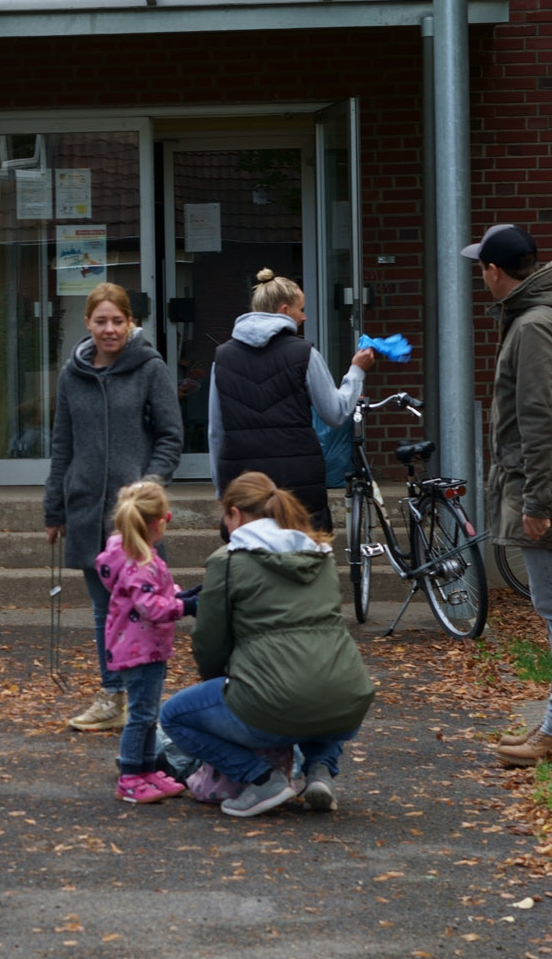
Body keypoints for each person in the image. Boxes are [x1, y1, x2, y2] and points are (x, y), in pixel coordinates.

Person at [159, 472, 373, 818]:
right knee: (319, 690)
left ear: (234, 514)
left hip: (270, 704)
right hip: (347, 697)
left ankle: (261, 779)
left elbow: (209, 641)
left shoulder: (228, 561)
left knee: (173, 716)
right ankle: (320, 770)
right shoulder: (320, 554)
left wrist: (223, 684)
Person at [464, 224, 552, 767]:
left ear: (494, 271)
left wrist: (537, 503)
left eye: (481, 268)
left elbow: (542, 420)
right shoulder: (546, 316)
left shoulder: (536, 326)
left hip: (550, 492)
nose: (481, 276)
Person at [43, 282, 183, 733]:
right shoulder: (72, 375)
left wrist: (150, 486)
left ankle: (144, 700)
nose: (109, 329)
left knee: (143, 605)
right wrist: (54, 508)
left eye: (117, 321)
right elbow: (62, 444)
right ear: (87, 323)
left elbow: (170, 436)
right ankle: (112, 695)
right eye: (101, 321)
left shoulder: (150, 369)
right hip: (86, 507)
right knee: (104, 608)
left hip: (135, 516)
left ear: (130, 322)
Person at [207, 269, 375, 532]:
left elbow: (216, 431)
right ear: (284, 311)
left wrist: (221, 486)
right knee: (302, 549)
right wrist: (356, 371)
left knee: (248, 552)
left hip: (243, 482)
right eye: (301, 309)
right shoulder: (304, 354)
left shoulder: (222, 358)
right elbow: (336, 413)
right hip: (297, 480)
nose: (304, 316)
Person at [96, 481, 197, 804]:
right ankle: (130, 777)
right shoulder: (139, 563)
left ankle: (146, 769)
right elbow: (150, 607)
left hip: (144, 646)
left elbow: (154, 594)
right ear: (158, 523)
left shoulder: (131, 556)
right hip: (140, 649)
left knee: (148, 714)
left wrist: (179, 595)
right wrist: (185, 606)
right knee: (141, 716)